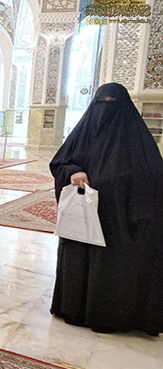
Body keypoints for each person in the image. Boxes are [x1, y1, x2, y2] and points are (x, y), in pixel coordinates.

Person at [50, 83, 163, 335]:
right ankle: (75, 308)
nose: (105, 107)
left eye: (112, 102)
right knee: (80, 260)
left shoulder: (138, 140)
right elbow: (61, 162)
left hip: (121, 221)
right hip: (84, 216)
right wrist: (74, 171)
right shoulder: (83, 133)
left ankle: (111, 315)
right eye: (102, 102)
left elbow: (154, 179)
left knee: (113, 267)